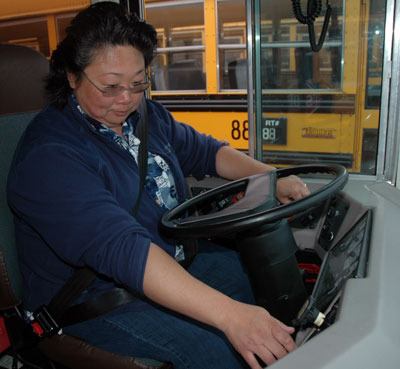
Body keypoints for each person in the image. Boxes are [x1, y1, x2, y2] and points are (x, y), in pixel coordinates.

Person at [7, 2, 310, 369]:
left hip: (167, 263)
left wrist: (268, 177)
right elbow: (122, 248)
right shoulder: (49, 157)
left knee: (265, 281)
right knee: (216, 350)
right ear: (72, 76)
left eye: (138, 84)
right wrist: (231, 317)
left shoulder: (144, 117)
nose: (126, 100)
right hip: (96, 300)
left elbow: (207, 152)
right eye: (110, 87)